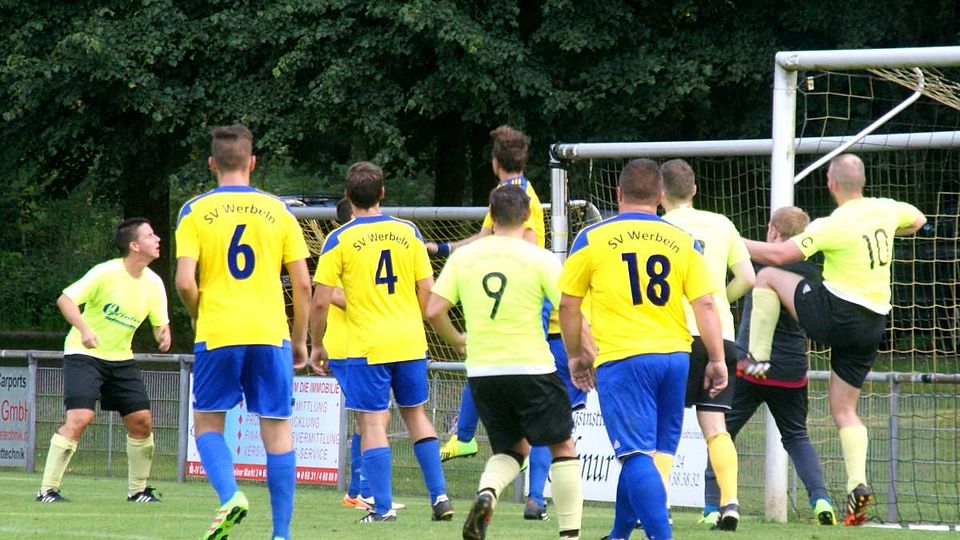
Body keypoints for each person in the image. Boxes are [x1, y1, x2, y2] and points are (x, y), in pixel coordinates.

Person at [741, 153, 926, 526]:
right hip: (873, 323)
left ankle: (757, 359)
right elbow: (918, 220)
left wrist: (731, 239)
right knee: (844, 410)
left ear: (832, 183)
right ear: (863, 181)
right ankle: (857, 485)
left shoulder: (834, 224)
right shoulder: (886, 209)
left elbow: (778, 254)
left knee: (768, 277)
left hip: (837, 316)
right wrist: (891, 231)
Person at [559, 158, 727, 540]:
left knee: (634, 454)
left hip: (624, 358)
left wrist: (576, 355)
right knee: (651, 454)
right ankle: (619, 533)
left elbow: (568, 305)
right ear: (660, 196)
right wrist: (717, 358)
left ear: (618, 193)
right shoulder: (683, 240)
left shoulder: (592, 238)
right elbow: (705, 304)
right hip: (675, 358)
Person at [175, 125, 312, 540]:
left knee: (208, 425)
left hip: (219, 331)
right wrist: (300, 339)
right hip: (270, 333)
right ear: (252, 162)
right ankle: (281, 534)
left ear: (211, 163)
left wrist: (198, 313)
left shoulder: (194, 211)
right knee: (278, 429)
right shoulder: (279, 211)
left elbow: (184, 281)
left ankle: (231, 495)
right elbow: (303, 284)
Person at [426, 185, 583, 540]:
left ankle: (488, 492)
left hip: (483, 373)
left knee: (513, 448)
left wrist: (457, 340)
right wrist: (579, 353)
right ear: (527, 216)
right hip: (531, 368)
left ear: (491, 217)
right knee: (562, 446)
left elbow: (433, 310)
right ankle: (570, 535)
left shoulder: (464, 258)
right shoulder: (540, 258)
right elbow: (568, 307)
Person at [310, 161, 452, 523]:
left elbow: (321, 301)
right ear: (383, 193)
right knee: (416, 415)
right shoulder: (409, 231)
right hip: (409, 341)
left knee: (373, 423)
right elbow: (427, 290)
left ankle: (383, 508)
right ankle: (440, 497)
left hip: (367, 346)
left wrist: (317, 344)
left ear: (347, 196)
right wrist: (418, 321)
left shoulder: (339, 239)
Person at [702, 206, 836, 525]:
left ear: (773, 231)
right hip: (791, 370)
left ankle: (711, 509)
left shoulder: (760, 266)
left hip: (750, 368)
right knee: (796, 436)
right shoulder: (812, 274)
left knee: (721, 433)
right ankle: (821, 500)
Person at [426, 125, 547, 466]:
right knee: (483, 361)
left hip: (521, 298)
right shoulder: (510, 193)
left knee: (520, 377)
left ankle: (518, 450)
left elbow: (528, 245)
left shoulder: (518, 198)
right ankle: (466, 437)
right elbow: (485, 238)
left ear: (495, 161)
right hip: (511, 295)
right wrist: (442, 248)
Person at [38, 218, 170, 504]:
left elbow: (160, 324)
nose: (157, 239)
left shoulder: (154, 283)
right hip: (84, 354)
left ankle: (137, 491)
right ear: (134, 245)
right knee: (80, 417)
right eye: (150, 235)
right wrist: (85, 330)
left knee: (142, 421)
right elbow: (65, 300)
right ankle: (47, 490)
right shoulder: (105, 272)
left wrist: (163, 335)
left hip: (121, 359)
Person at [659, 158, 755, 530]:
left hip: (675, 334)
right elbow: (747, 277)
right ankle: (729, 503)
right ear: (695, 190)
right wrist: (719, 302)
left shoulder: (659, 228)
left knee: (661, 426)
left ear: (661, 194)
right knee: (716, 426)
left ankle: (660, 505)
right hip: (719, 333)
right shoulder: (722, 223)